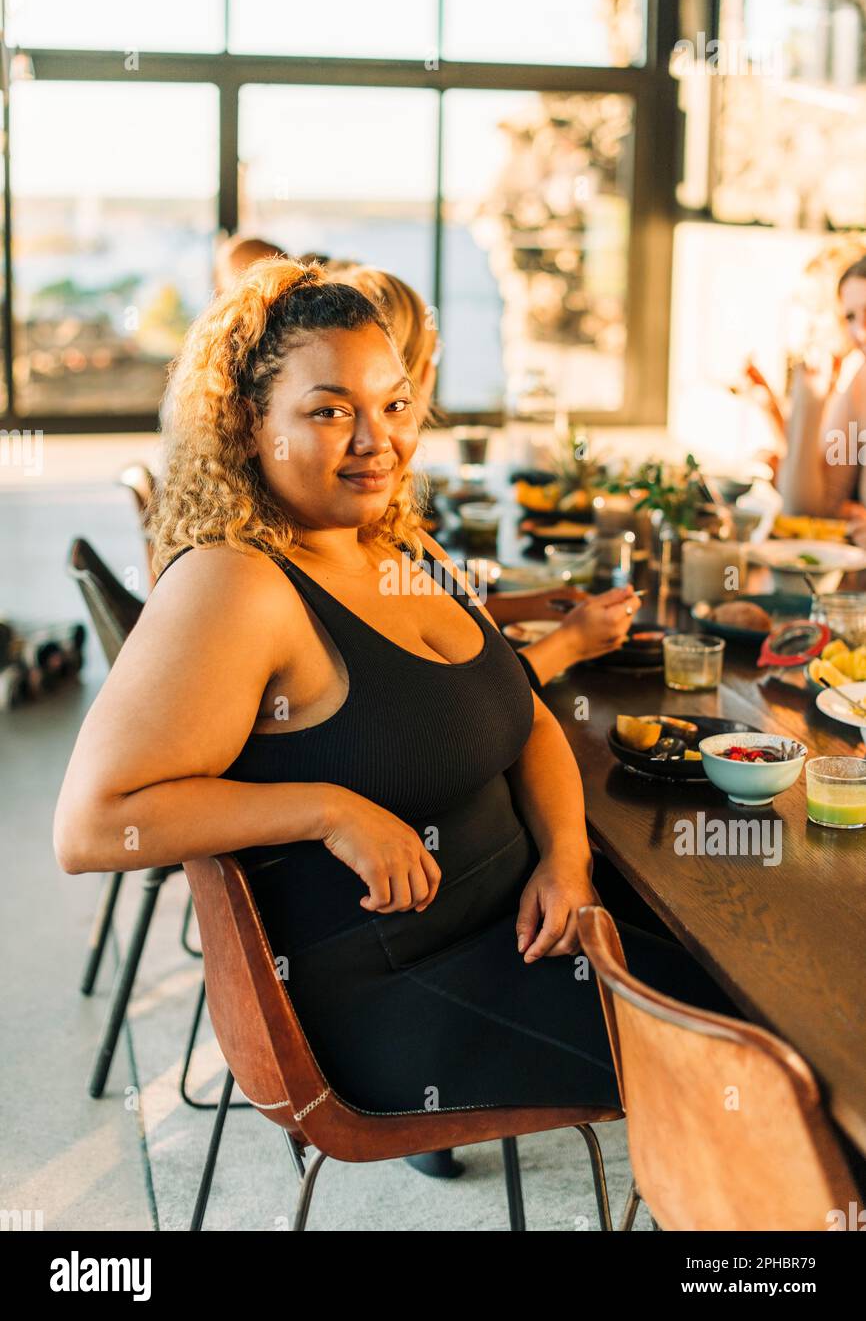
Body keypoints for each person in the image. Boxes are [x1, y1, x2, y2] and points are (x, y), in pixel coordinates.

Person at [54, 259, 738, 1190]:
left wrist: (568, 858)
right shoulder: (237, 584)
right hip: (397, 1000)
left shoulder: (395, 542)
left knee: (759, 998)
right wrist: (328, 808)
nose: (378, 440)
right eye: (330, 410)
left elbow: (522, 711)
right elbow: (92, 825)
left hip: (522, 925)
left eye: (396, 403)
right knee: (765, 1058)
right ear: (250, 427)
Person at [333, 263, 640, 690]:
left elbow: (422, 596)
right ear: (419, 374)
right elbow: (467, 701)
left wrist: (534, 605)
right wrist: (571, 644)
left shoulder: (388, 518)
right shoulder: (358, 506)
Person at [778, 253, 866, 524]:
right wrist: (808, 402)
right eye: (850, 317)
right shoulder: (861, 381)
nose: (860, 332)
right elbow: (806, 509)